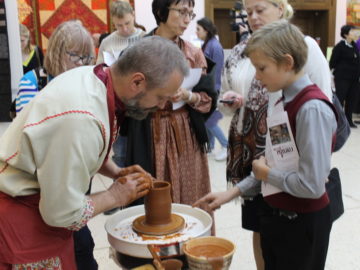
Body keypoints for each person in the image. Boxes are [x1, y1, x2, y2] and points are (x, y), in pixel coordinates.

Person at [0, 36, 189, 269]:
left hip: (36, 205)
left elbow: (70, 149)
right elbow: (60, 213)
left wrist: (115, 171)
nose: (161, 106)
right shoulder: (82, 118)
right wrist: (114, 196)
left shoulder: (96, 76)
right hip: (21, 216)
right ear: (137, 82)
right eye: (161, 97)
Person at [195, 20, 337, 270]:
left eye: (262, 68)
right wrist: (232, 193)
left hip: (302, 225)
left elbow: (312, 185)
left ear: (287, 62)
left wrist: (268, 174)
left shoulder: (311, 108)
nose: (257, 78)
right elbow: (275, 160)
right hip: (277, 216)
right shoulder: (281, 99)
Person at [124, 0, 217, 210]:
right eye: (182, 12)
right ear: (161, 11)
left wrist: (188, 96)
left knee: (191, 190)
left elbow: (209, 98)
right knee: (154, 194)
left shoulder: (193, 53)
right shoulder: (139, 51)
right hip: (150, 130)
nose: (187, 19)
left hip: (185, 131)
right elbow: (126, 96)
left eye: (190, 14)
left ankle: (190, 240)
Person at [16, 21, 95, 114]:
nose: (81, 62)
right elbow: (27, 125)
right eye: (74, 54)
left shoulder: (89, 81)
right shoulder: (32, 82)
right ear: (57, 52)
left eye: (85, 56)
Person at [196, 17, 228, 161]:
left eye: (198, 29)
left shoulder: (214, 46)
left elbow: (216, 70)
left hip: (212, 89)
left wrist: (211, 91)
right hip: (208, 87)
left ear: (206, 30)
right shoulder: (208, 44)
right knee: (207, 119)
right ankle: (210, 146)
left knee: (209, 121)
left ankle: (226, 145)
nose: (196, 32)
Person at [96, 0, 145, 65]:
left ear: (133, 15)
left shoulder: (145, 38)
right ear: (113, 21)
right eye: (119, 25)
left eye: (127, 23)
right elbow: (99, 70)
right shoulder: (106, 43)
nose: (125, 29)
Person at [329, 24, 360, 128]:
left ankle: (349, 120)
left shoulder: (354, 45)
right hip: (342, 78)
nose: (355, 33)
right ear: (346, 34)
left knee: (352, 99)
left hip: (354, 78)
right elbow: (332, 62)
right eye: (352, 31)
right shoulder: (340, 46)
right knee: (340, 99)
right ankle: (338, 120)